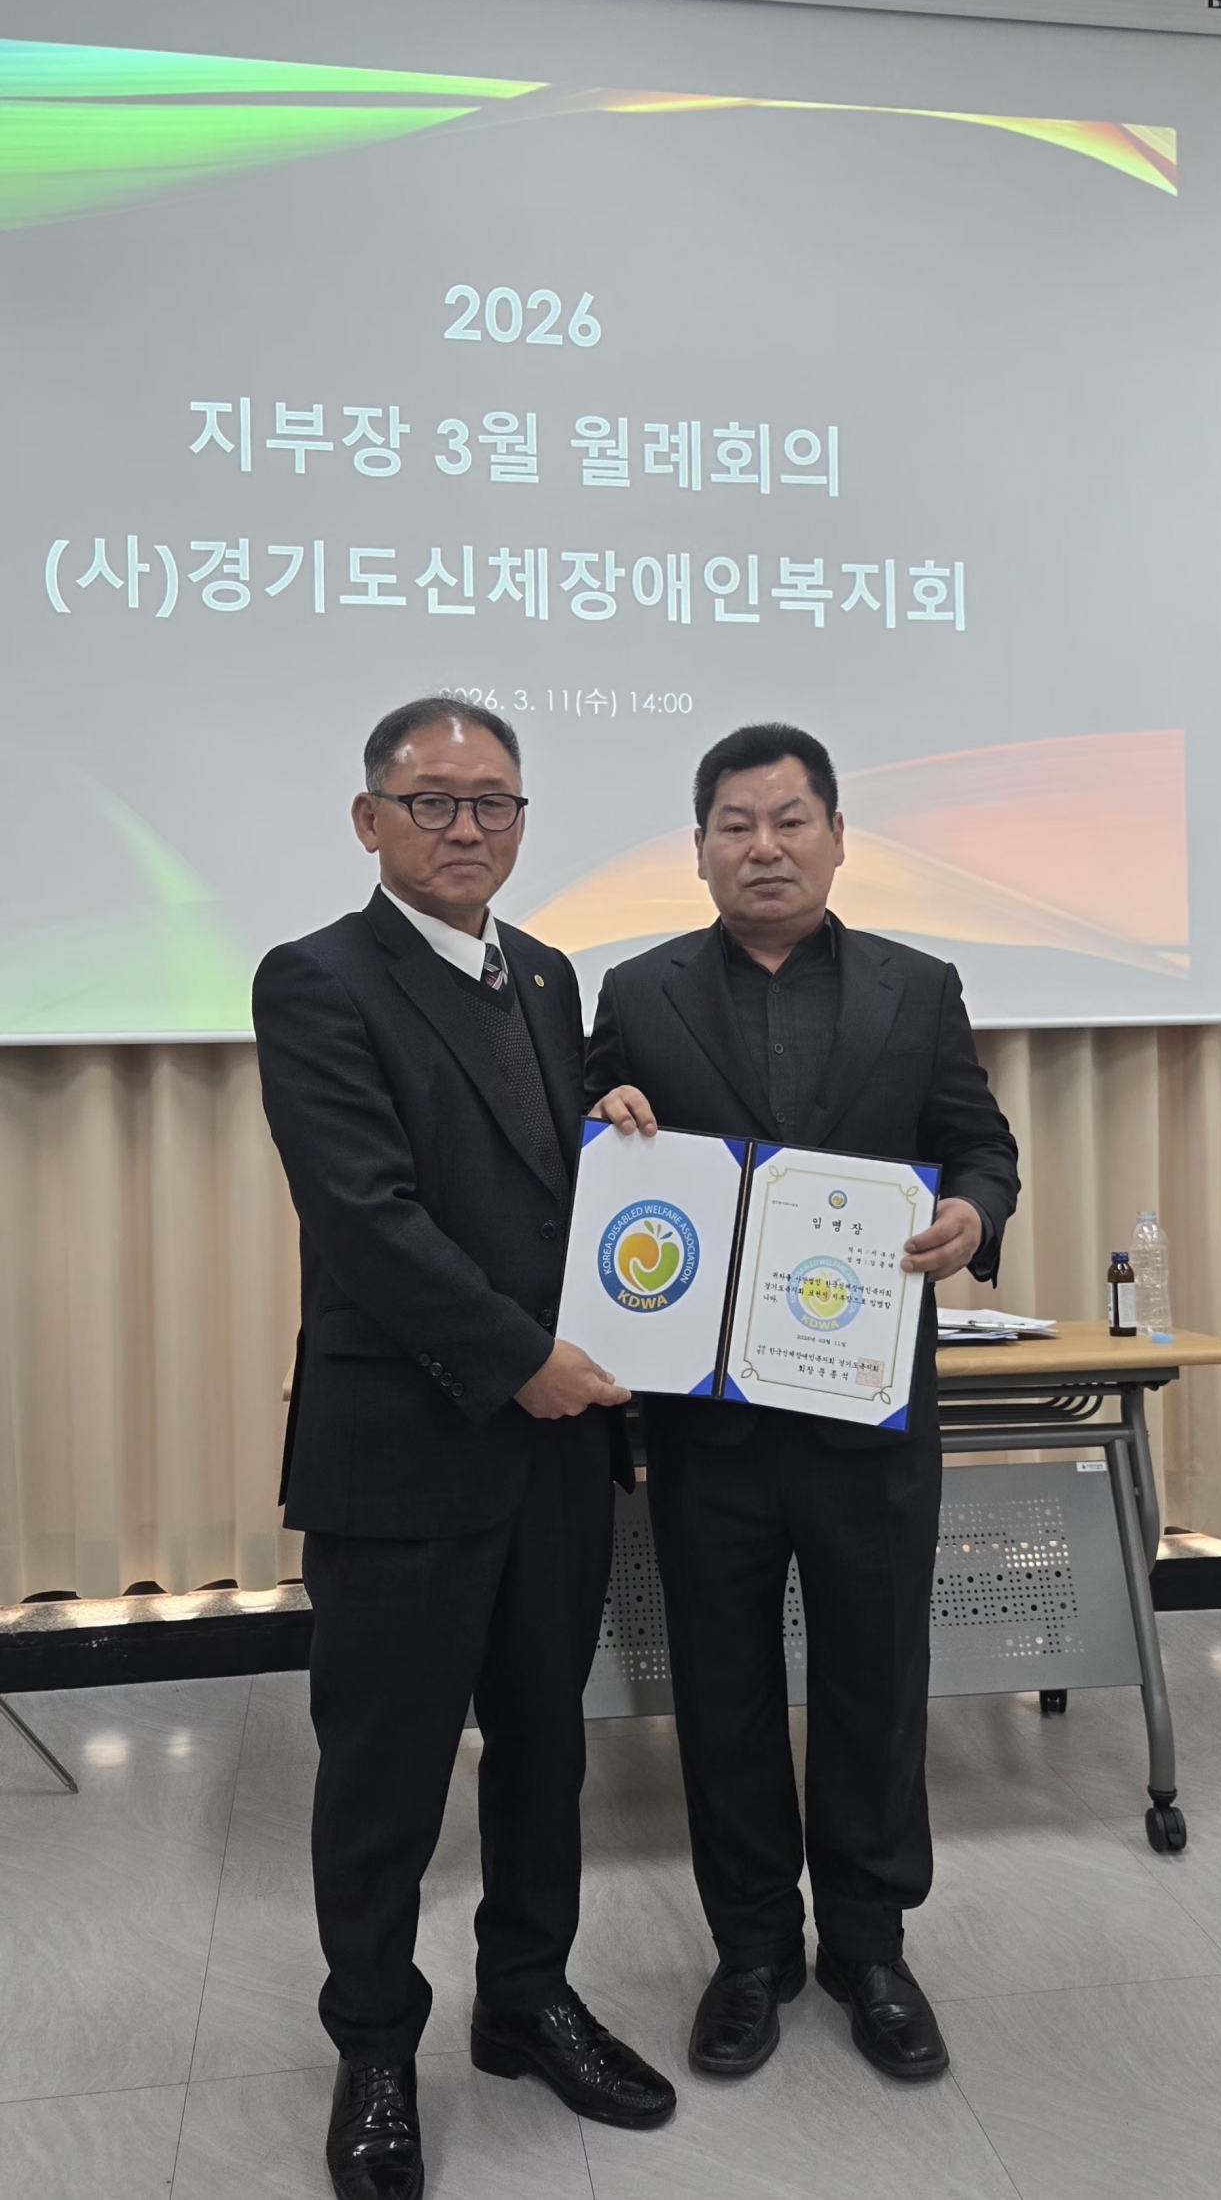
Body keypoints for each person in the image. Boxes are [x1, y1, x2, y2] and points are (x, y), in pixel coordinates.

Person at [254, 697, 675, 2200]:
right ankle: (375, 2046)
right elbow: (366, 1215)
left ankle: (526, 1999)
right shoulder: (314, 979)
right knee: (386, 1770)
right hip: (406, 1448)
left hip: (558, 1455)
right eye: (432, 801)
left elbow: (533, 1168)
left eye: (494, 801)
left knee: (546, 1746)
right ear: (369, 819)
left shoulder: (548, 976)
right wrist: (518, 1362)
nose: (466, 828)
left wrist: (606, 1118)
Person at [586, 721, 1019, 2088]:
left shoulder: (917, 986)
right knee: (720, 1691)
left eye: (789, 821)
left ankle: (871, 1948)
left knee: (875, 1683)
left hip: (868, 1414)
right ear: (699, 847)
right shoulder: (638, 992)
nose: (763, 847)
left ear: (837, 838)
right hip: (708, 1423)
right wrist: (606, 1115)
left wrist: (972, 1213)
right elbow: (588, 1147)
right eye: (736, 824)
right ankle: (753, 1948)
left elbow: (982, 1147)